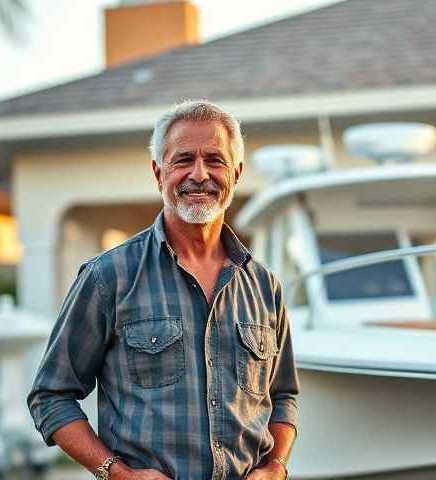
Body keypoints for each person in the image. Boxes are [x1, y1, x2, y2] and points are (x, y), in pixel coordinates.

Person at [27, 100, 299, 480]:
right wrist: (116, 473)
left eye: (215, 160)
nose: (199, 174)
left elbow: (283, 396)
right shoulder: (108, 277)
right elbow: (51, 396)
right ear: (159, 173)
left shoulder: (263, 284)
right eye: (183, 159)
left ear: (236, 174)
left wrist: (276, 468)